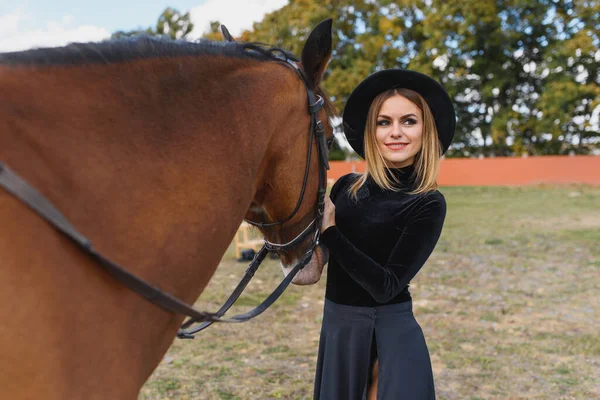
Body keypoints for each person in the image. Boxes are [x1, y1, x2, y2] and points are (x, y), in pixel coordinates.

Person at [314, 69, 456, 400]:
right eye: (383, 122)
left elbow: (386, 286)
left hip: (390, 333)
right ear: (371, 131)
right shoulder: (347, 187)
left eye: (408, 121)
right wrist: (280, 228)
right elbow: (309, 271)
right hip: (339, 329)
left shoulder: (428, 203)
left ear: (426, 131)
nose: (395, 132)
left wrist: (332, 233)